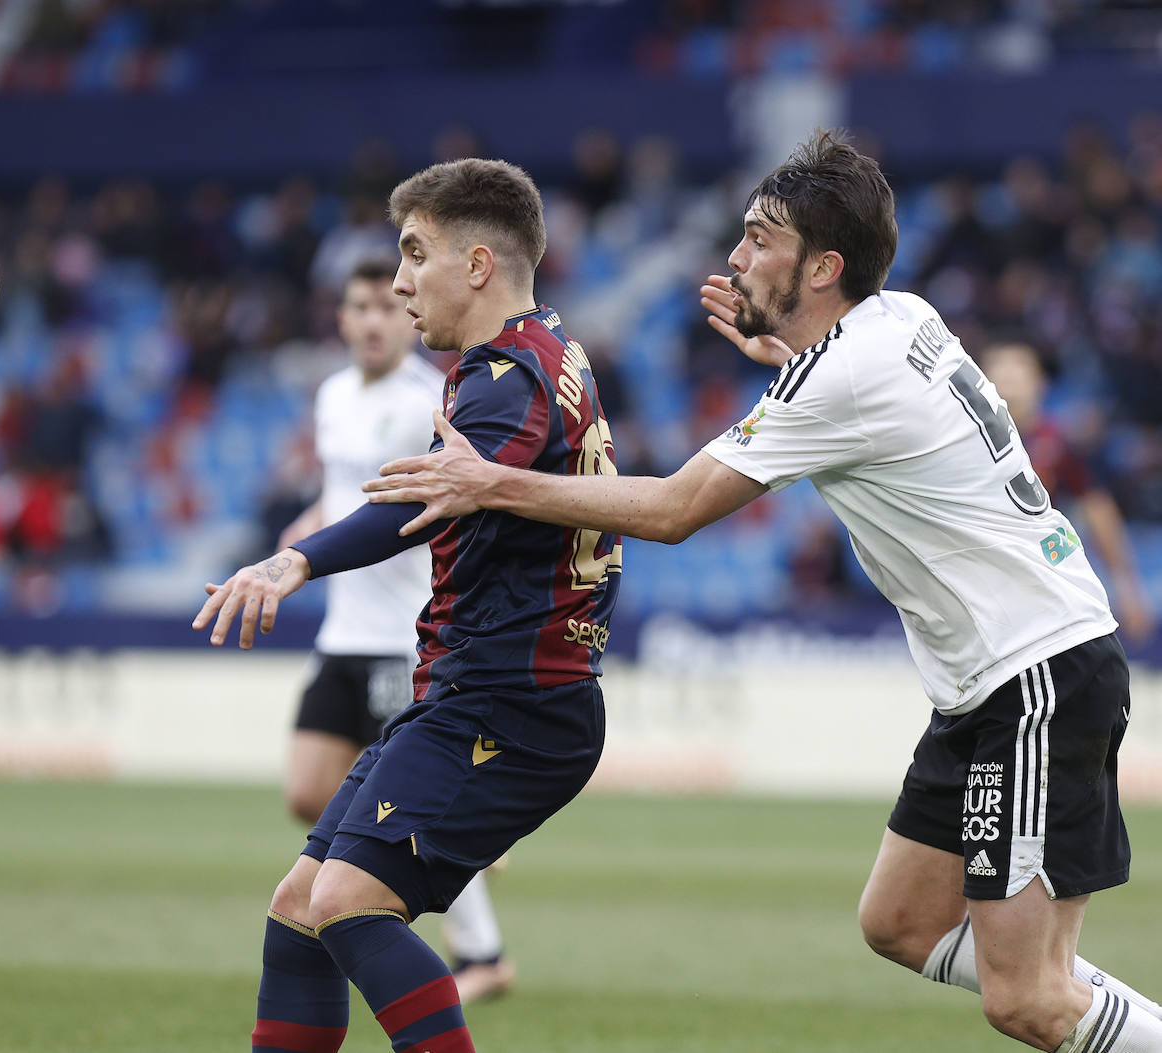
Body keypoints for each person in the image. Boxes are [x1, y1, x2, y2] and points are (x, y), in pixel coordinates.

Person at [364, 130, 1162, 1052]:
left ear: (822, 266)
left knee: (1026, 997)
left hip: (1037, 676)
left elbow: (671, 510)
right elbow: (851, 403)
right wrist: (783, 360)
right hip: (996, 679)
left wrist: (491, 482)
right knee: (900, 920)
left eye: (759, 238)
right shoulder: (898, 317)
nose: (736, 255)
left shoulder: (838, 376)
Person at [193, 158, 620, 1053]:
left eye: (414, 254)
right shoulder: (545, 352)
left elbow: (424, 502)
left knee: (346, 902)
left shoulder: (504, 377)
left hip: (512, 697)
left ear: (475, 263)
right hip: (478, 687)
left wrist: (295, 560)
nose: (397, 281)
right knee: (301, 906)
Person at [276, 256, 516, 1004]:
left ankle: (482, 953)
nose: (374, 319)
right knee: (307, 789)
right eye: (359, 306)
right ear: (341, 318)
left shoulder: (431, 401)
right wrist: (302, 537)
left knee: (399, 810)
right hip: (342, 631)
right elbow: (344, 494)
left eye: (387, 306)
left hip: (404, 637)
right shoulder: (332, 396)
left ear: (405, 318)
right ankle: (461, 848)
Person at [980, 341, 1154, 643]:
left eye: (1018, 368)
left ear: (1040, 383)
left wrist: (1127, 589)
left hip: (1046, 591)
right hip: (982, 587)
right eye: (998, 368)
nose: (1007, 378)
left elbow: (1097, 510)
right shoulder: (964, 444)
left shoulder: (1059, 444)